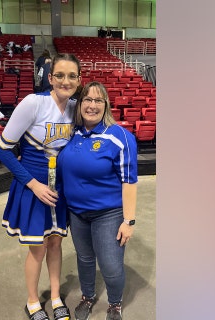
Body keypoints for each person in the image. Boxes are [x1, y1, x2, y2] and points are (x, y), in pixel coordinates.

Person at [0, 53, 82, 320]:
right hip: (35, 188)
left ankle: (55, 297)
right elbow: (3, 150)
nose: (65, 81)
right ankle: (33, 301)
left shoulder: (76, 107)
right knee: (38, 247)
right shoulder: (33, 103)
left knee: (56, 244)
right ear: (50, 77)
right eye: (60, 75)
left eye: (71, 76)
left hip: (60, 190)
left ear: (78, 80)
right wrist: (33, 185)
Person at [57, 81, 138, 320]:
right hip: (77, 213)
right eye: (87, 100)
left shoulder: (120, 136)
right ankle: (88, 296)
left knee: (111, 266)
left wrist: (129, 221)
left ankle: (115, 303)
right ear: (79, 104)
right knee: (84, 259)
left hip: (108, 214)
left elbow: (129, 181)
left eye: (98, 100)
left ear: (106, 105)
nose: (92, 105)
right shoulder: (72, 134)